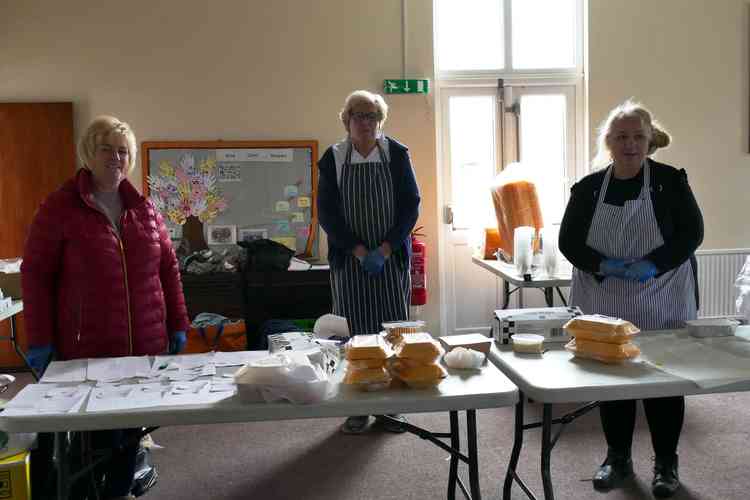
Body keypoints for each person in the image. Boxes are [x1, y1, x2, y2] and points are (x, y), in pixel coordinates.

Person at [22, 116, 189, 500]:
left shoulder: (144, 208)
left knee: (130, 433)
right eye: (107, 149)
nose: (116, 158)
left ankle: (118, 487)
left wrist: (178, 322)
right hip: (88, 349)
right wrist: (41, 339)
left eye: (123, 151)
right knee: (97, 436)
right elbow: (36, 275)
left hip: (143, 347)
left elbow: (168, 268)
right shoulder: (60, 207)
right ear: (88, 153)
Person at [559, 100, 703, 498]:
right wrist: (603, 263)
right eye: (621, 137)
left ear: (649, 140)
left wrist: (652, 264)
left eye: (638, 136)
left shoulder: (670, 182)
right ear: (609, 142)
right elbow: (569, 242)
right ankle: (617, 458)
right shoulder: (589, 189)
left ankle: (666, 464)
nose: (630, 144)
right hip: (605, 299)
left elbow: (691, 234)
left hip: (663, 298)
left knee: (663, 383)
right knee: (614, 383)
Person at [318, 90, 420, 434]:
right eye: (358, 116)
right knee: (356, 335)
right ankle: (358, 407)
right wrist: (359, 250)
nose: (365, 122)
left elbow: (411, 205)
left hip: (390, 260)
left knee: (392, 333)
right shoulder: (333, 158)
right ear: (346, 120)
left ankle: (391, 408)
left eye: (372, 116)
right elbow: (328, 215)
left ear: (380, 121)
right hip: (350, 261)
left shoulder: (397, 155)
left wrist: (387, 248)